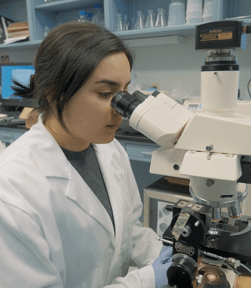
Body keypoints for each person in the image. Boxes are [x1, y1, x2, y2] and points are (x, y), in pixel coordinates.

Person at [0, 22, 172, 288]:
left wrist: (165, 256)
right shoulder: (11, 192)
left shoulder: (109, 149)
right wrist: (146, 281)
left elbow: (128, 229)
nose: (121, 109)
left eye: (124, 92)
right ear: (54, 92)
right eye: (105, 93)